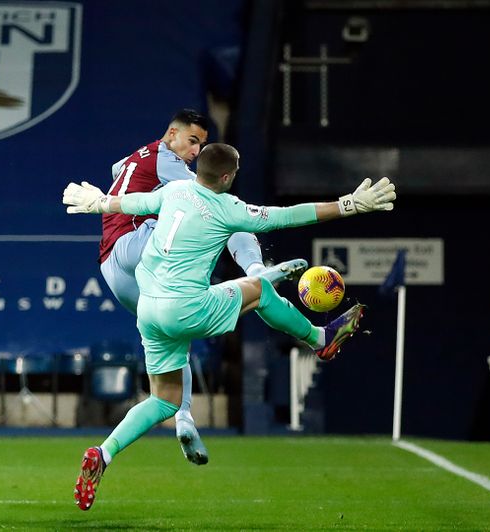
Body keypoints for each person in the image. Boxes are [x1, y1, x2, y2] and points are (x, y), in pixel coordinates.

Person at [62, 143, 396, 511]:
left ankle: (103, 453)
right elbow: (288, 216)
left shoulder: (173, 190)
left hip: (149, 309)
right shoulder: (228, 208)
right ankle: (321, 338)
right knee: (262, 290)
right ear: (226, 176)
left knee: (163, 399)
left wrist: (98, 202)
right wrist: (349, 204)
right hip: (187, 308)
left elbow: (132, 203)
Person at [96, 109, 304, 466]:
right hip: (132, 247)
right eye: (192, 141)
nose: (195, 151)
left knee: (177, 330)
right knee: (220, 215)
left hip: (114, 268)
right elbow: (216, 208)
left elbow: (119, 169)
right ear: (171, 134)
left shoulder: (140, 156)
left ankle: (183, 416)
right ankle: (257, 271)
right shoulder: (170, 164)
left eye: (201, 144)